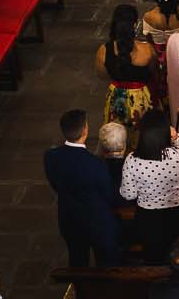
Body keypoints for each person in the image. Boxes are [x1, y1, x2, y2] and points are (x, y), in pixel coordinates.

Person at [46, 110, 123, 268]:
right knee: (105, 263)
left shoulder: (51, 156)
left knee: (77, 260)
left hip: (69, 219)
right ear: (85, 130)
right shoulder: (96, 164)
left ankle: (79, 289)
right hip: (97, 222)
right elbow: (109, 196)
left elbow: (55, 184)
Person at [118, 113, 179, 265]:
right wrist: (177, 137)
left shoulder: (132, 160)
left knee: (153, 258)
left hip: (148, 219)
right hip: (178, 214)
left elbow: (129, 195)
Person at [99, 4, 155, 130]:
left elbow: (103, 74)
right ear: (134, 25)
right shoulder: (147, 50)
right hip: (140, 100)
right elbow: (153, 73)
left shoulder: (103, 51)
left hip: (116, 99)